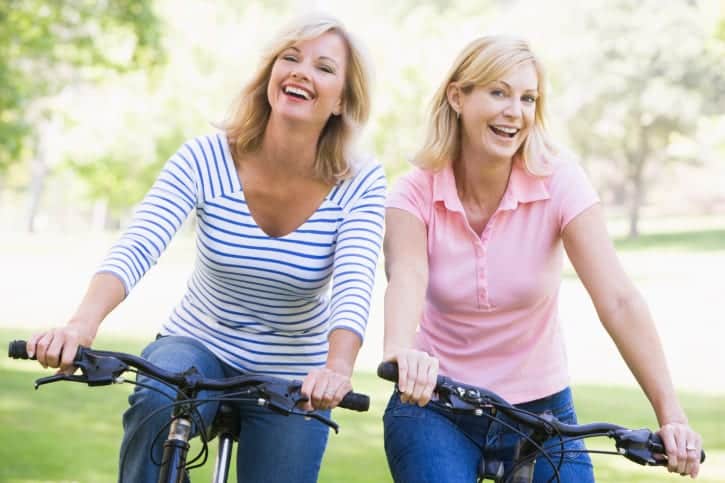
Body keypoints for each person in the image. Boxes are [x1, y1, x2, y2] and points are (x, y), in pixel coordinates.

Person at [26, 13, 385, 483]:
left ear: (342, 100)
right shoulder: (206, 156)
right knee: (157, 399)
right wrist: (81, 324)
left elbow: (356, 282)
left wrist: (337, 368)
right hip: (198, 343)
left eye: (324, 67)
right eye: (290, 58)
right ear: (270, 75)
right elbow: (140, 242)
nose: (300, 71)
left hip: (295, 369)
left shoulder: (360, 183)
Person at [381, 35, 702, 482]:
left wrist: (672, 416)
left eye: (527, 97)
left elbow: (618, 299)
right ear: (457, 96)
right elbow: (406, 275)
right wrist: (400, 351)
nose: (515, 111)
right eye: (498, 92)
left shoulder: (559, 179)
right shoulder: (413, 192)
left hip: (542, 413)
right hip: (438, 407)